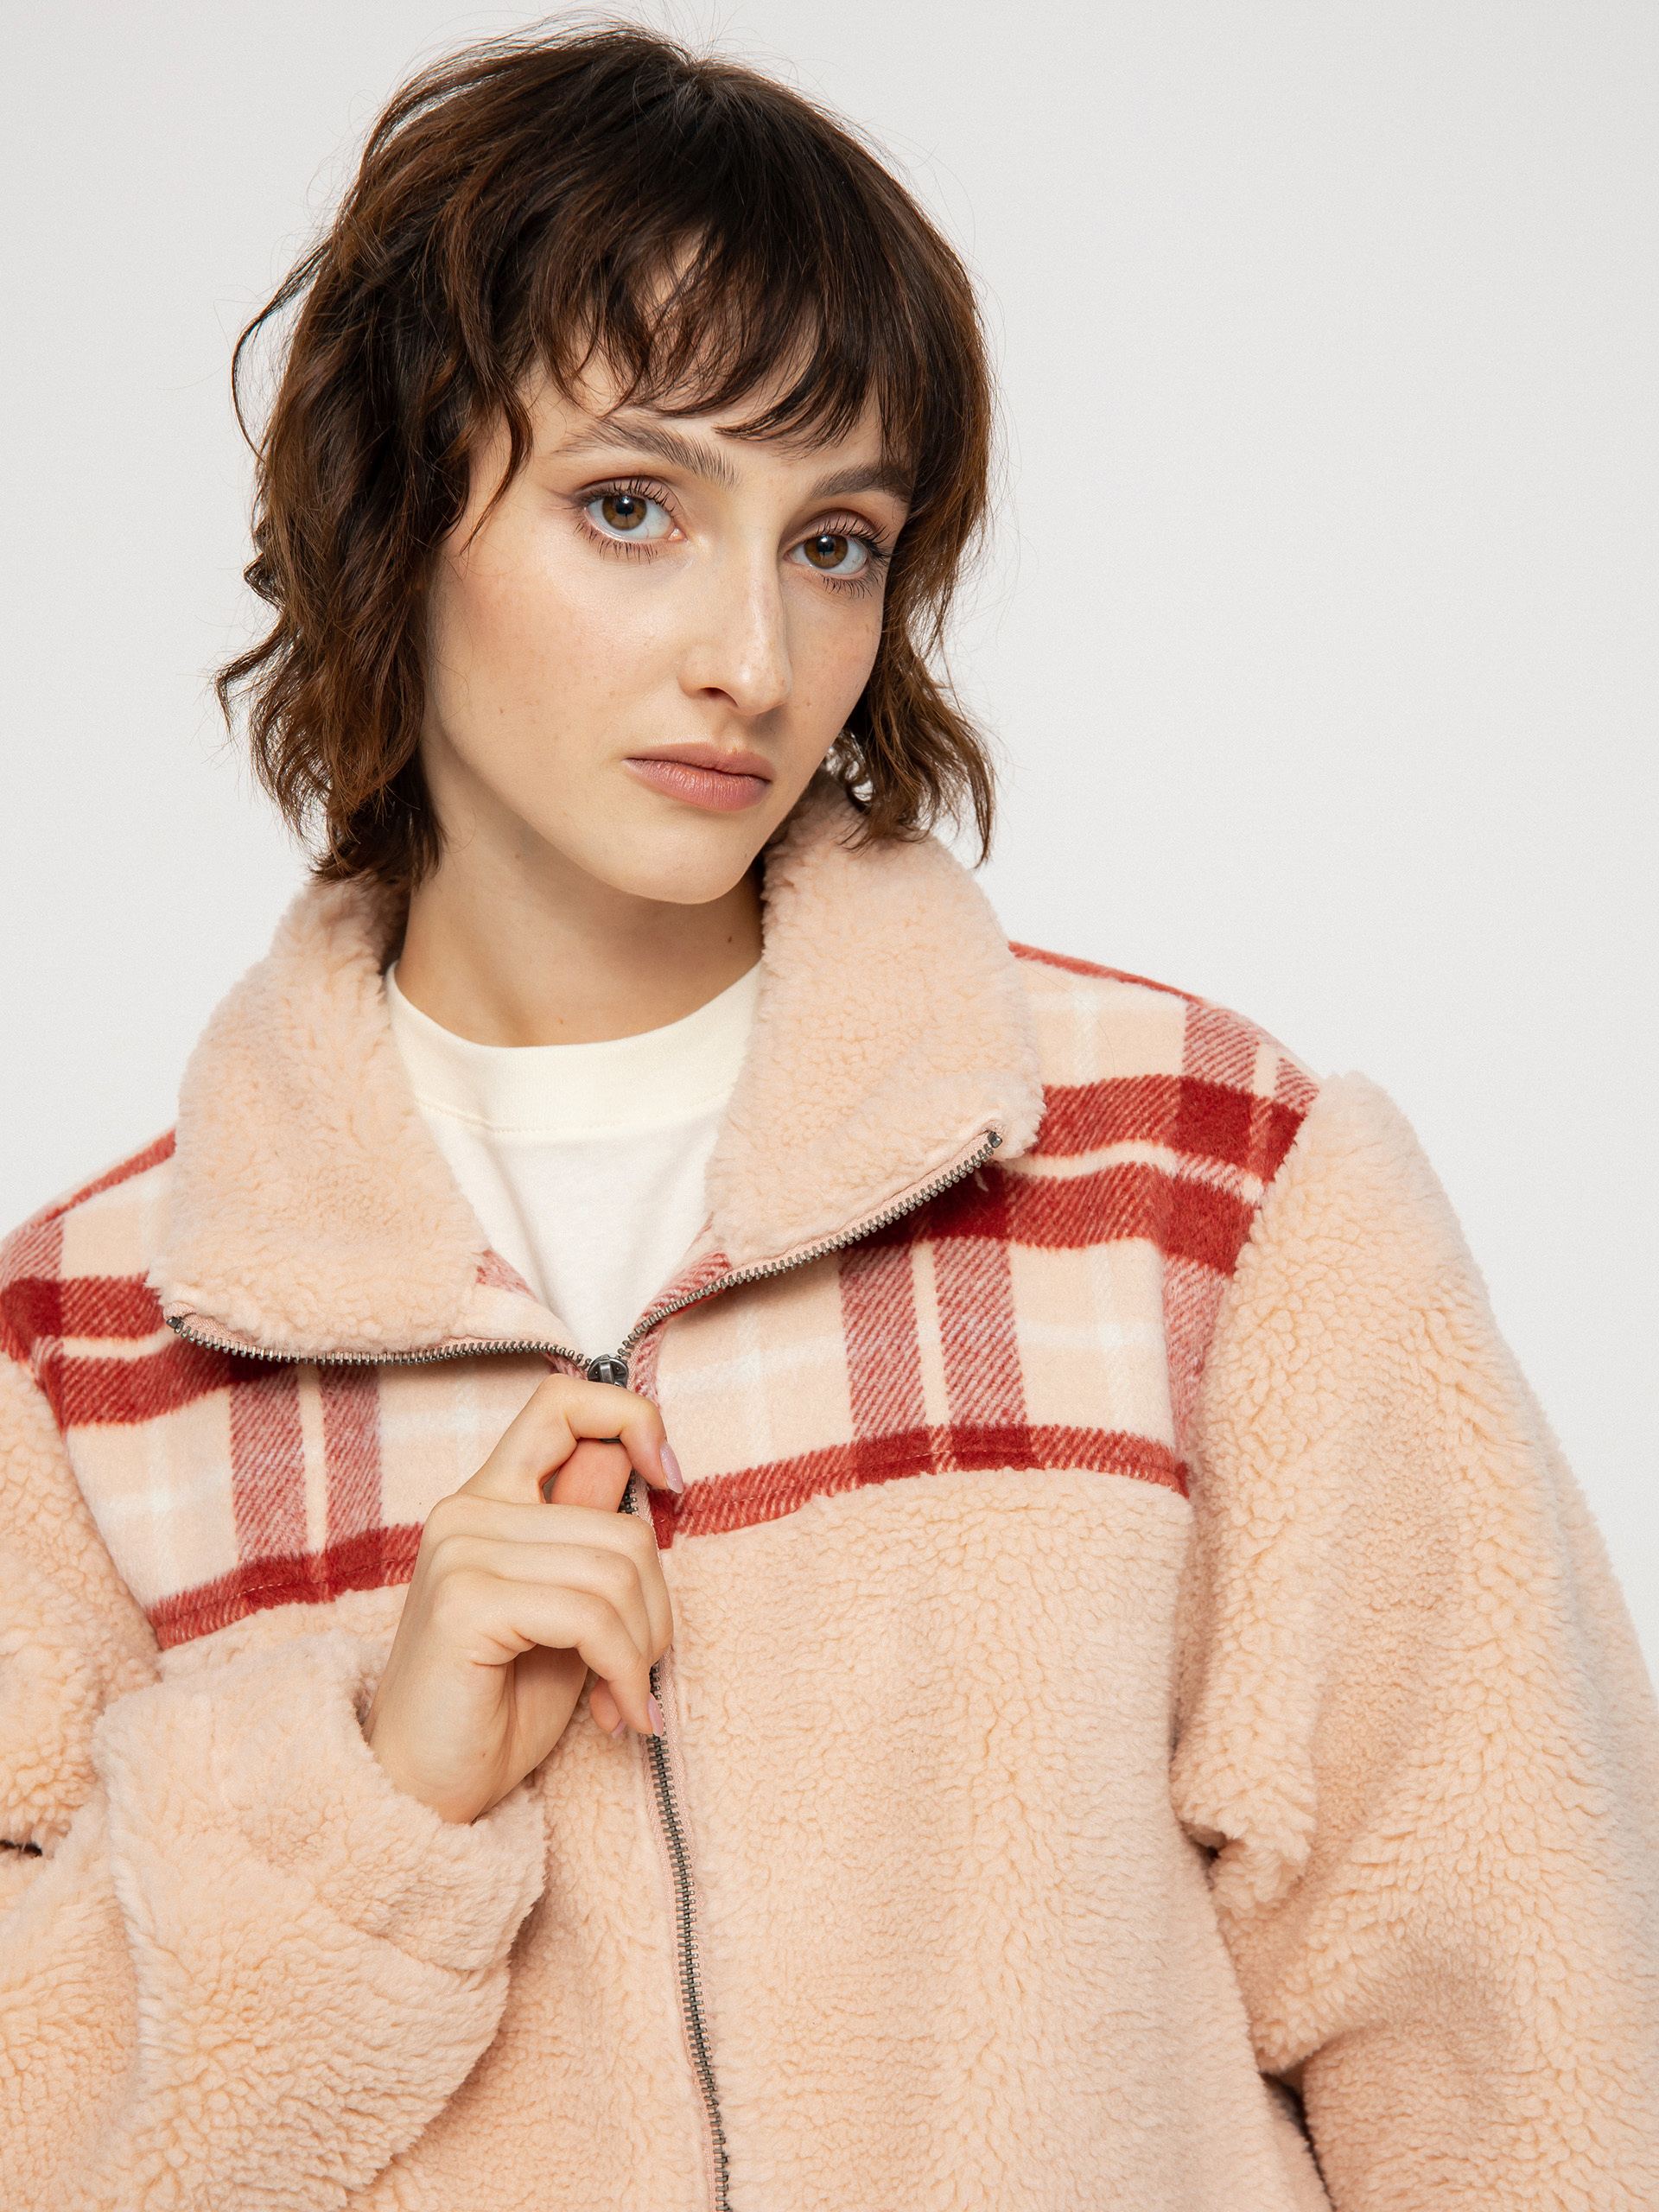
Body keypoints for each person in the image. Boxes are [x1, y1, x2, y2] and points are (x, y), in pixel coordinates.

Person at [2, 23, 1655, 2210]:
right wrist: (372, 1792)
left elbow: (1534, 2049)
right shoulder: (85, 1356)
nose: (755, 655)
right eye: (631, 506)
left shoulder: (1202, 1185)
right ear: (393, 511)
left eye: (838, 540)